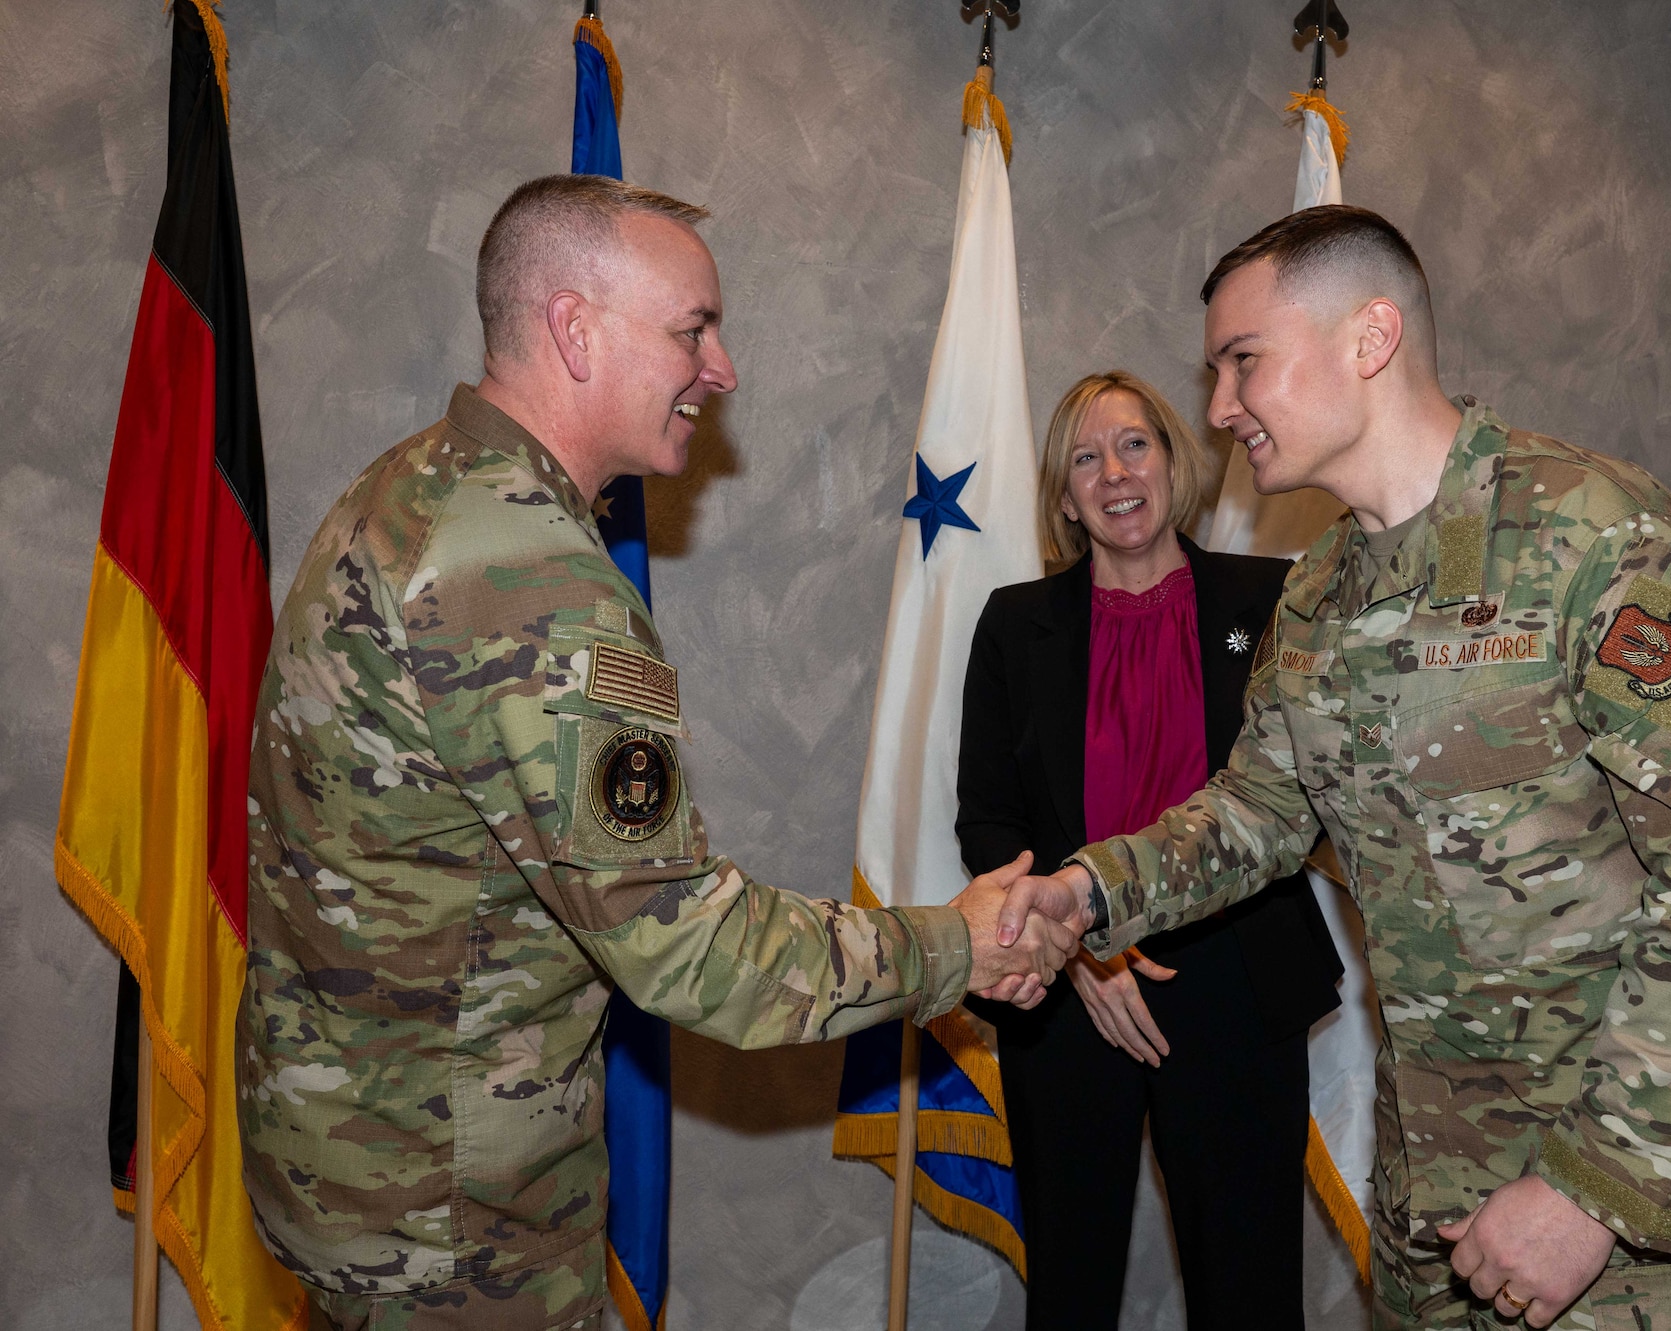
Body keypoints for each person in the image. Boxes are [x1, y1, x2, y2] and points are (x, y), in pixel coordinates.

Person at [234, 174, 1078, 1331]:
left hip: (349, 1165)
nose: (722, 370)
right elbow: (689, 948)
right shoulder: (527, 578)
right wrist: (956, 944)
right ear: (575, 331)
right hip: (455, 1221)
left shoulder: (406, 491)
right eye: (693, 329)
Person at [1004, 206, 1671, 1330]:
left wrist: (1591, 1193)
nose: (1217, 408)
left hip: (1620, 1247)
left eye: (1242, 362)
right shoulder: (1318, 589)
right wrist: (1087, 890)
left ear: (1367, 338)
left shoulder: (1596, 537)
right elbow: (1254, 814)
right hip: (1430, 1223)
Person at [957, 372, 1343, 1329]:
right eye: (1084, 458)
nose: (1114, 472)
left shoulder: (1280, 596)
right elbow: (988, 820)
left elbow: (1310, 796)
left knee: (1248, 1289)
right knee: (1072, 1287)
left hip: (1238, 980)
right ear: (1061, 496)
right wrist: (1085, 947)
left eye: (1134, 444)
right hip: (1066, 988)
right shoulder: (1014, 622)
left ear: (1175, 460)